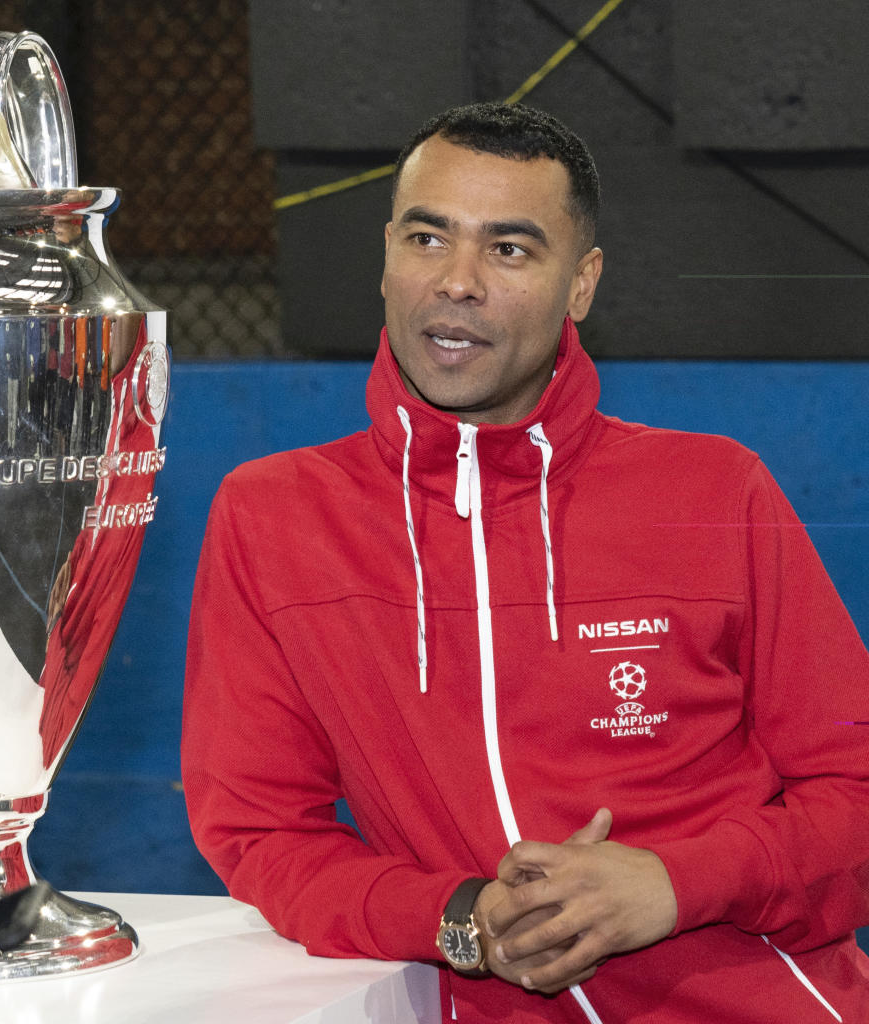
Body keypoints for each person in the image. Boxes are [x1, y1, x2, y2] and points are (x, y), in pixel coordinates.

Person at [182, 102, 869, 1022]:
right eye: (429, 237)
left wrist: (674, 884)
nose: (457, 282)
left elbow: (856, 791)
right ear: (386, 256)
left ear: (580, 283)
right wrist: (461, 921)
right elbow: (262, 832)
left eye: (510, 249)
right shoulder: (273, 516)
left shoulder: (715, 490)